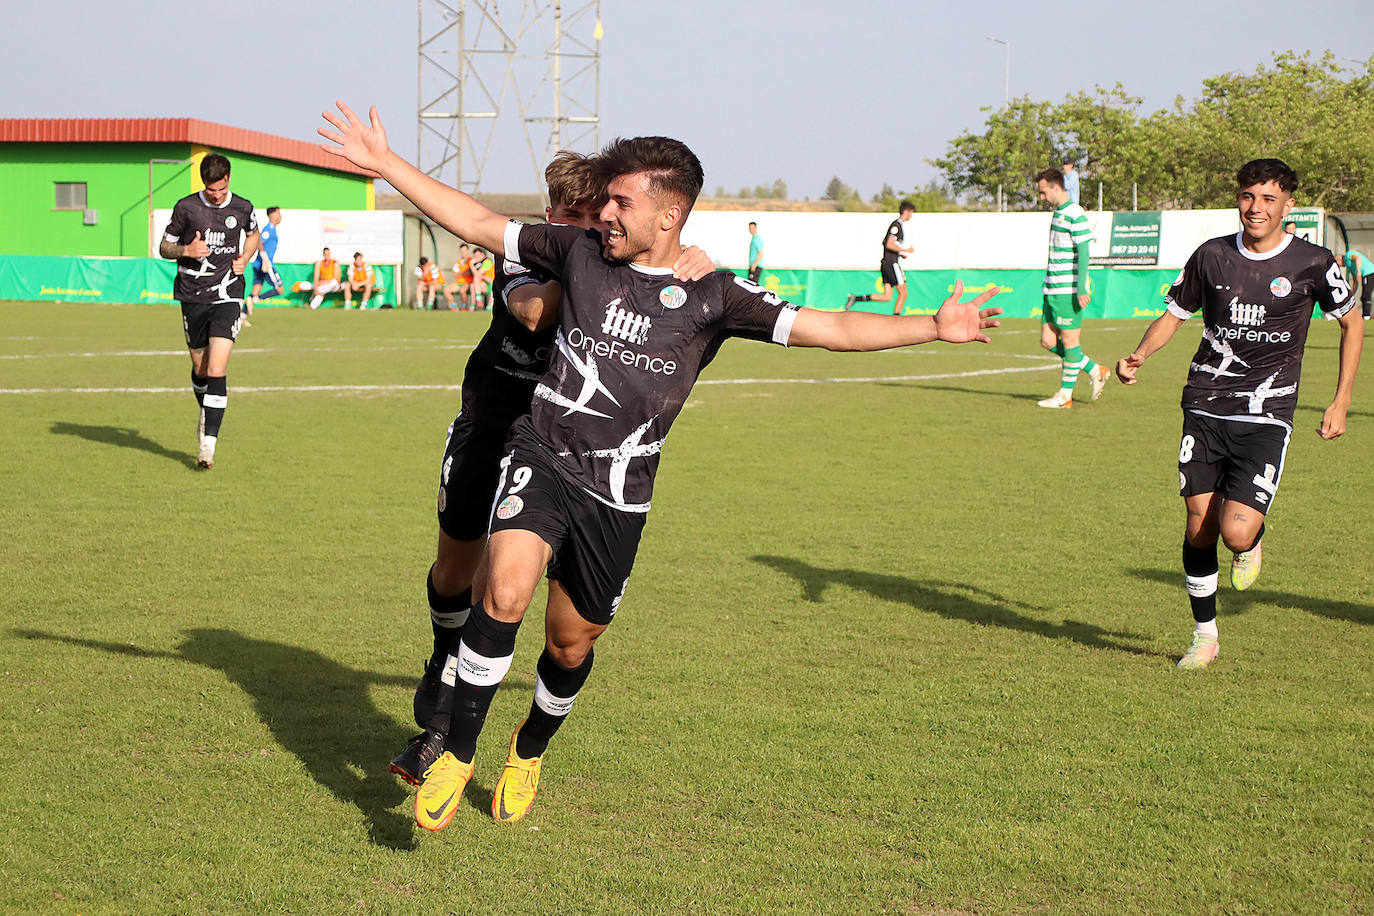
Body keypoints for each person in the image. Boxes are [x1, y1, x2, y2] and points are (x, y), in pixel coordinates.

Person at [321, 102, 1001, 830]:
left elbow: (826, 327)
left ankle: (531, 746)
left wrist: (931, 325)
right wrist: (387, 164)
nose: (603, 213)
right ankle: (457, 750)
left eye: (620, 201)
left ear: (668, 215)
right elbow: (481, 225)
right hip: (542, 454)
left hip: (617, 494)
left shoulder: (713, 294)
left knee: (570, 641)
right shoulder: (576, 254)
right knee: (506, 587)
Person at [385, 150, 716, 789]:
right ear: (551, 216)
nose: (589, 229)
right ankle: (439, 658)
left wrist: (671, 264)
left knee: (499, 587)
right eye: (574, 218)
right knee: (453, 571)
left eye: (598, 218)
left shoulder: (610, 259)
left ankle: (443, 736)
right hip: (488, 427)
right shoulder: (532, 256)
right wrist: (590, 266)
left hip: (546, 446)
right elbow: (536, 313)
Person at [1114, 158, 1361, 671]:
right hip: (1205, 403)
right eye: (1249, 197)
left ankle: (1252, 541)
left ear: (1288, 206)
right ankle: (1205, 635)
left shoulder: (1315, 264)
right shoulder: (1212, 256)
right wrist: (1140, 353)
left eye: (1269, 199)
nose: (1257, 208)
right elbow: (1175, 315)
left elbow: (1351, 324)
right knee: (1198, 524)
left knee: (1236, 532)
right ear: (1239, 199)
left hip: (1267, 414)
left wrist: (1340, 401)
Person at [158, 153, 259, 470]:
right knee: (200, 369)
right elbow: (163, 247)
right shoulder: (186, 208)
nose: (215, 196)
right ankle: (207, 411)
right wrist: (187, 250)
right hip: (192, 295)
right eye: (210, 190)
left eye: (220, 189)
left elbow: (253, 234)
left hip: (228, 292)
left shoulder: (243, 207)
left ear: (228, 179)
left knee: (217, 368)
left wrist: (245, 257)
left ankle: (207, 446)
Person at [1033, 167, 1109, 408]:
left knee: (1070, 342)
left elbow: (1084, 251)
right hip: (1051, 289)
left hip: (1068, 290)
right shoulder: (1057, 214)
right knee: (1047, 340)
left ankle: (1065, 396)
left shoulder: (1076, 213)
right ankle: (1096, 369)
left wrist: (1081, 287)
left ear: (1056, 187)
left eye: (1044, 193)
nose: (1042, 198)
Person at [843, 200, 915, 315]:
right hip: (892, 263)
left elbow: (885, 242)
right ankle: (896, 320)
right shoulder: (897, 225)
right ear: (906, 211)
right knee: (903, 293)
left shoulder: (896, 226)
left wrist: (899, 253)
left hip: (886, 263)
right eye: (911, 212)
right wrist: (905, 250)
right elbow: (889, 244)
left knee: (887, 296)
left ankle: (855, 298)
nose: (912, 215)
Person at [248, 206, 283, 321]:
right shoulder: (269, 229)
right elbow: (260, 242)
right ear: (272, 215)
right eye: (278, 213)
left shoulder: (272, 229)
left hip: (258, 264)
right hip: (265, 265)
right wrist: (265, 258)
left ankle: (243, 315)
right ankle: (256, 299)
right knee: (279, 289)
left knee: (255, 291)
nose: (281, 216)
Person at [1343, 247, 1374, 320]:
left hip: (1369, 273)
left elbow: (1358, 258)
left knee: (1366, 295)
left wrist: (1358, 272)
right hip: (1366, 275)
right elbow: (1355, 282)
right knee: (1364, 296)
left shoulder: (1348, 255)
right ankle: (1366, 316)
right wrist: (1352, 293)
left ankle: (1366, 316)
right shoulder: (1349, 266)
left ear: (1339, 259)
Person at [443, 244, 473, 310]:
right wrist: (463, 273)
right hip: (459, 282)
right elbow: (456, 274)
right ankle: (454, 306)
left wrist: (461, 273)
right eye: (461, 251)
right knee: (446, 290)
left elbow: (469, 273)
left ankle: (464, 306)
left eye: (464, 251)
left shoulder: (471, 260)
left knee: (462, 290)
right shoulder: (458, 261)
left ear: (467, 251)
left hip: (468, 282)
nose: (463, 253)